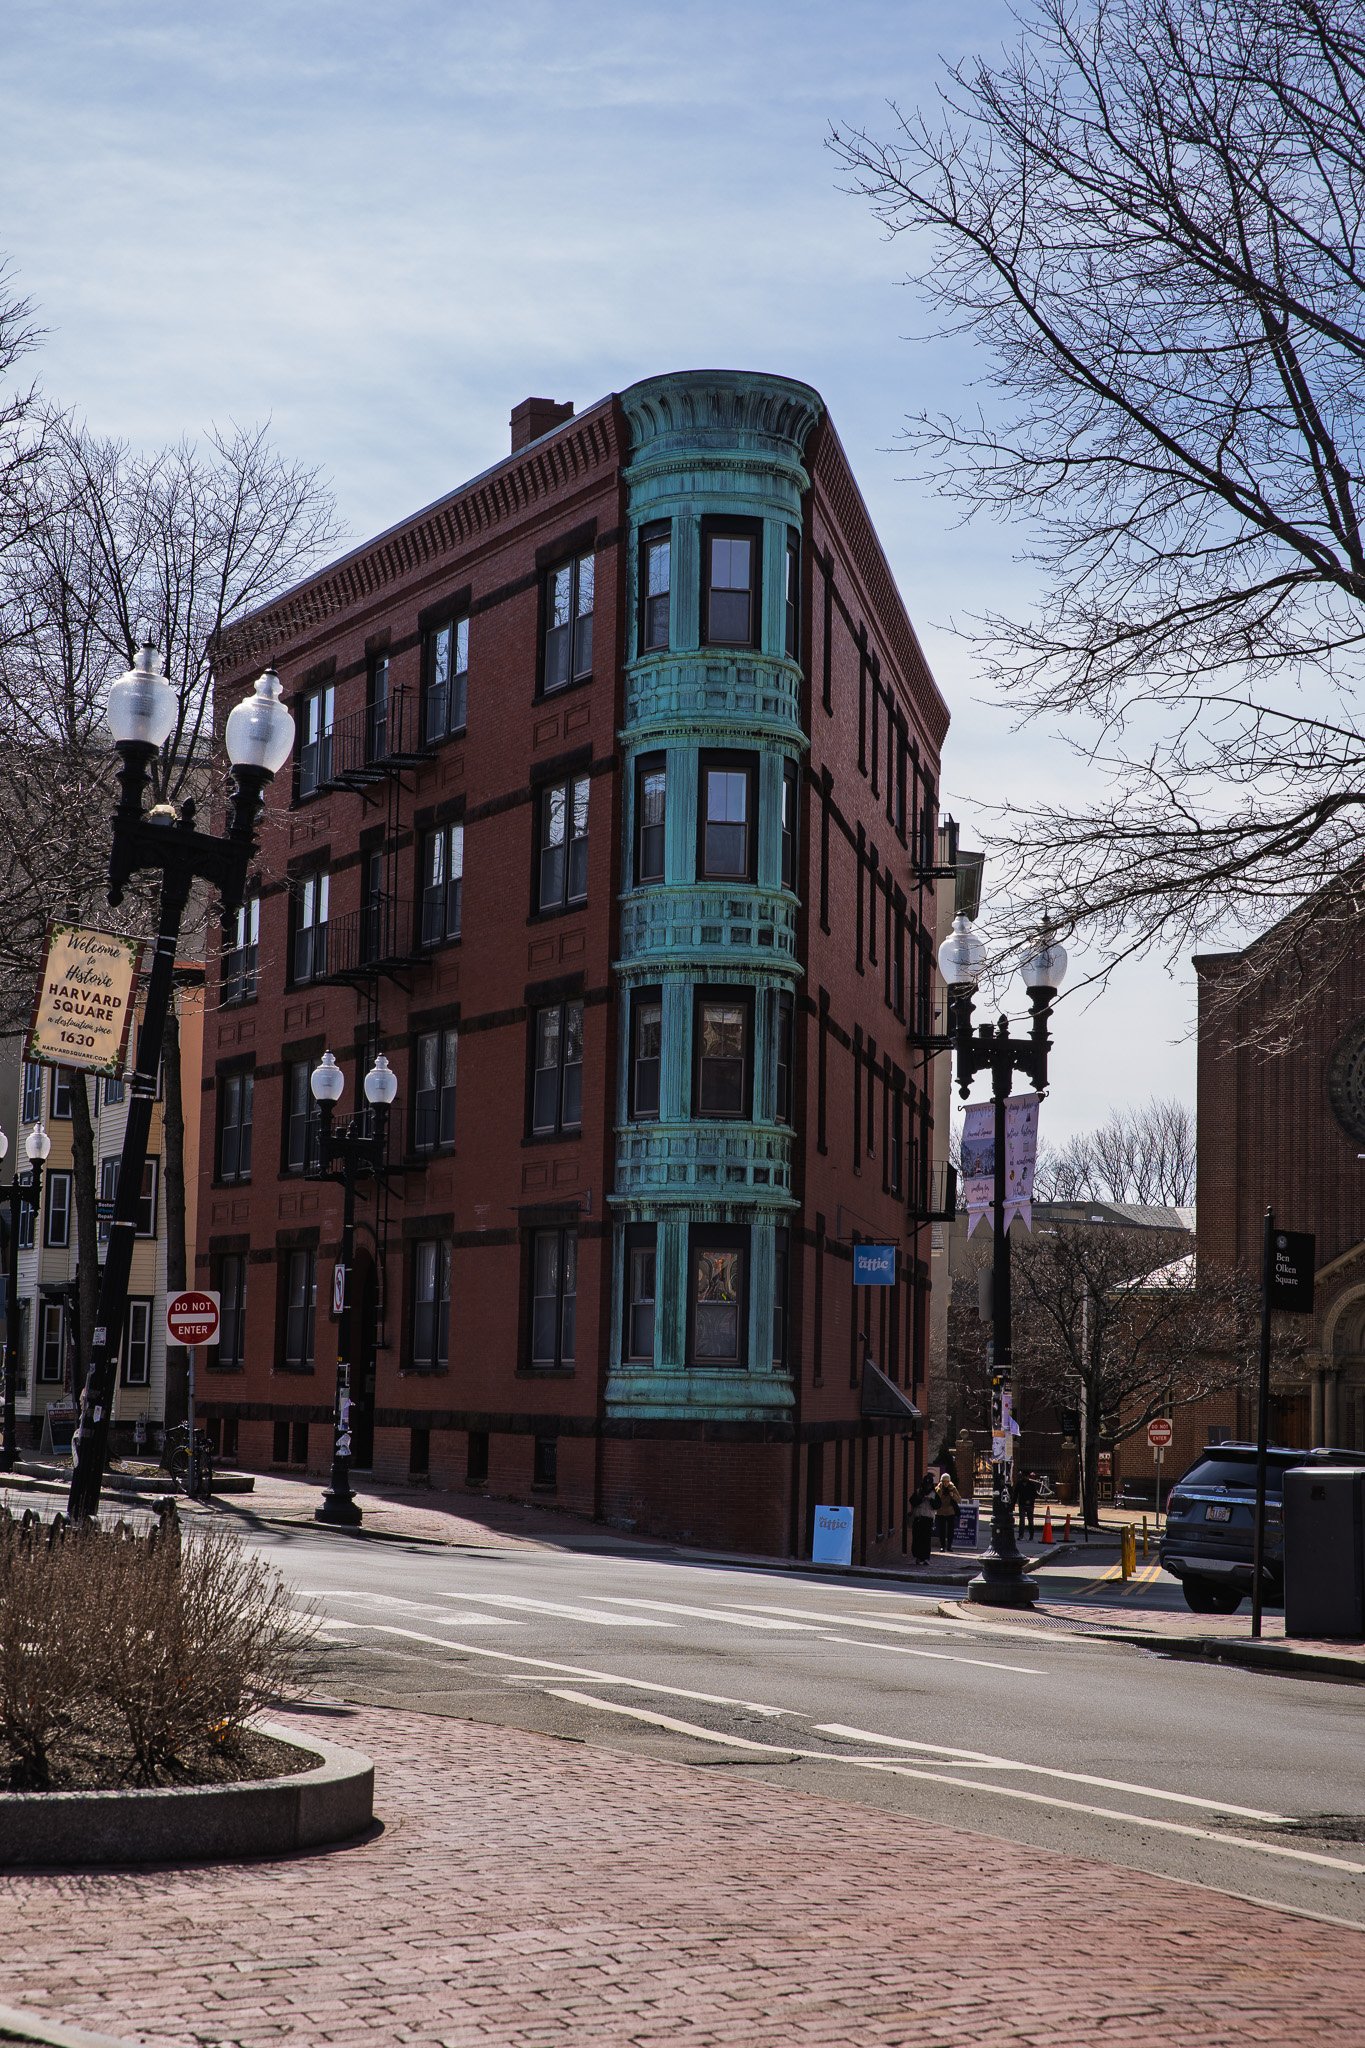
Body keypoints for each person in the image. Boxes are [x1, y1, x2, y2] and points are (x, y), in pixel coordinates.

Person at [908, 1474, 937, 1564]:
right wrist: (921, 1498)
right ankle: (917, 1556)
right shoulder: (918, 1492)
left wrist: (930, 1500)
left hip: (928, 1519)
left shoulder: (934, 1494)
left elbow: (938, 1505)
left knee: (926, 1539)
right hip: (918, 1518)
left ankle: (925, 1558)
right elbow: (912, 1501)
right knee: (917, 1538)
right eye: (926, 1485)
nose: (927, 1487)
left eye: (929, 1485)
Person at [934, 1468, 962, 1551]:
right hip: (941, 1512)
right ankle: (942, 1546)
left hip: (950, 1512)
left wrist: (953, 1495)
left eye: (947, 1481)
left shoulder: (953, 1488)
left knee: (950, 1530)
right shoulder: (938, 1488)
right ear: (941, 1481)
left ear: (949, 1481)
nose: (945, 1483)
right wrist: (940, 1491)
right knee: (941, 1530)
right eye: (944, 1481)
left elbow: (959, 1499)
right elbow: (935, 1498)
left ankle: (949, 1546)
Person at [1014, 1469, 1040, 1538]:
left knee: (1030, 1520)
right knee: (1022, 1520)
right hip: (1022, 1504)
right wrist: (1013, 1504)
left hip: (1030, 1504)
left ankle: (1031, 1535)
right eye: (1024, 1476)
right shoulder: (1019, 1484)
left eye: (1026, 1476)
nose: (1025, 1478)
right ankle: (1021, 1535)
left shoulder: (1031, 1484)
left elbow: (1035, 1495)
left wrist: (1030, 1500)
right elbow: (1015, 1494)